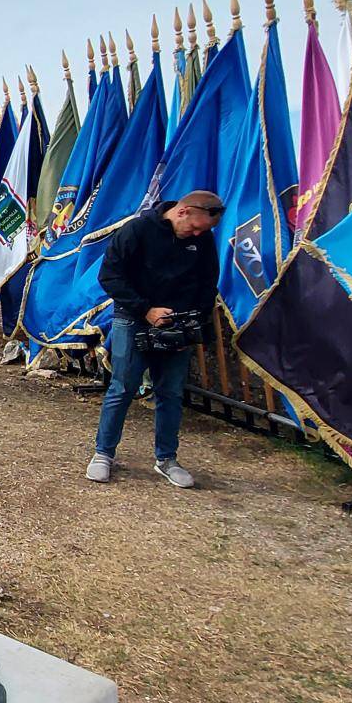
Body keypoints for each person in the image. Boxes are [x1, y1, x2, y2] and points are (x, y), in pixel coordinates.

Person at [87, 191, 222, 489]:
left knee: (171, 393)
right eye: (195, 228)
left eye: (204, 231)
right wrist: (145, 310)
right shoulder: (137, 230)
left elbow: (207, 283)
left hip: (178, 323)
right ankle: (103, 454)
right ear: (183, 211)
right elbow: (109, 276)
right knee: (122, 387)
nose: (198, 234)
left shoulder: (202, 241)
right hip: (133, 319)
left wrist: (192, 325)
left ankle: (166, 459)